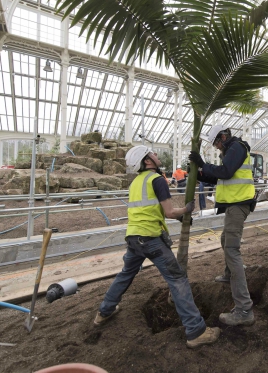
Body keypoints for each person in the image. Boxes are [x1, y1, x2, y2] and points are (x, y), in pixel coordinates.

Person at [95, 145, 219, 349]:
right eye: (152, 153)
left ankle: (104, 312)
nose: (156, 155)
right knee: (177, 278)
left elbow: (150, 210)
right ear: (147, 161)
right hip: (150, 238)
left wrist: (176, 216)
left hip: (134, 237)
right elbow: (169, 212)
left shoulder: (136, 182)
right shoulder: (157, 180)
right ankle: (196, 331)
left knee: (126, 274)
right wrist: (186, 210)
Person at [188, 124, 256, 327]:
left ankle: (244, 309)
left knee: (232, 250)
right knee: (225, 239)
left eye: (217, 142)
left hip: (239, 204)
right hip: (234, 204)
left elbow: (225, 172)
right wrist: (198, 172)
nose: (217, 147)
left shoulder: (237, 147)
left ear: (224, 137)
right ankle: (229, 274)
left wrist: (202, 162)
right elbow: (217, 175)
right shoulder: (230, 151)